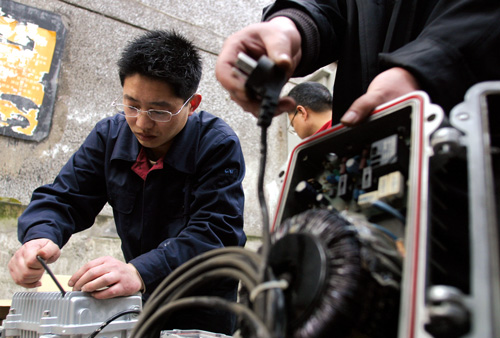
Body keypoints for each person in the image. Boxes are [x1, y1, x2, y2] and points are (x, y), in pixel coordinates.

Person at [8, 30, 246, 335]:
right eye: (132, 105)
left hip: (202, 302)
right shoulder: (109, 136)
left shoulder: (217, 144)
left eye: (159, 111)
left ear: (192, 103)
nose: (142, 123)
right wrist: (39, 236)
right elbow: (65, 198)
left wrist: (140, 269)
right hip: (139, 298)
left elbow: (215, 231)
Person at [215, 0, 500, 127]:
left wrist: (421, 72)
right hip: (362, 152)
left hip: (469, 154)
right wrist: (291, 26)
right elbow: (333, 7)